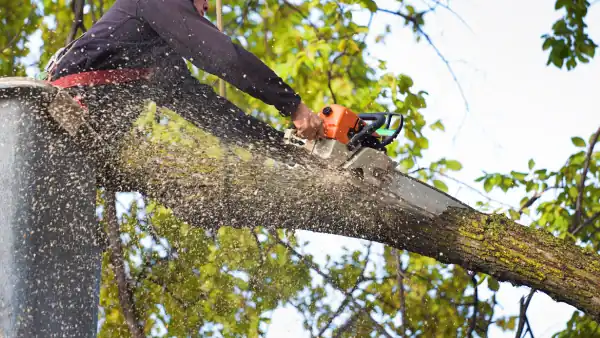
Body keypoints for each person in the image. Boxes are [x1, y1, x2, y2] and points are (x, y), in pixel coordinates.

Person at [46, 0, 325, 154]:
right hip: (64, 113)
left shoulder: (158, 61)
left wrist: (285, 148)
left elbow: (211, 113)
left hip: (86, 142)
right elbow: (223, 57)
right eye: (204, 1)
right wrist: (293, 106)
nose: (205, 9)